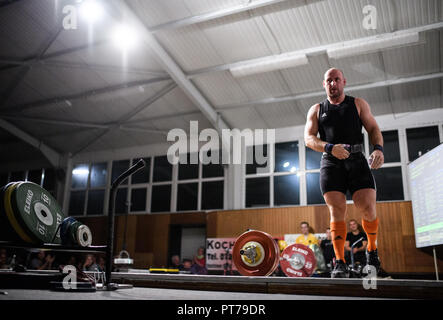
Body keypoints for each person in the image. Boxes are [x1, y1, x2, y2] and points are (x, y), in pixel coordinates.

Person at [304, 68, 383, 278]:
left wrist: (378, 149)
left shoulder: (358, 104)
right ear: (324, 84)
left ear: (343, 82)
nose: (333, 83)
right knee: (336, 211)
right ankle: (339, 262)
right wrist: (330, 148)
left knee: (367, 207)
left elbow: (374, 128)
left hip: (357, 160)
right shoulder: (317, 109)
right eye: (329, 80)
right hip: (331, 162)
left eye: (336, 79)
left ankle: (372, 250)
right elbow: (309, 138)